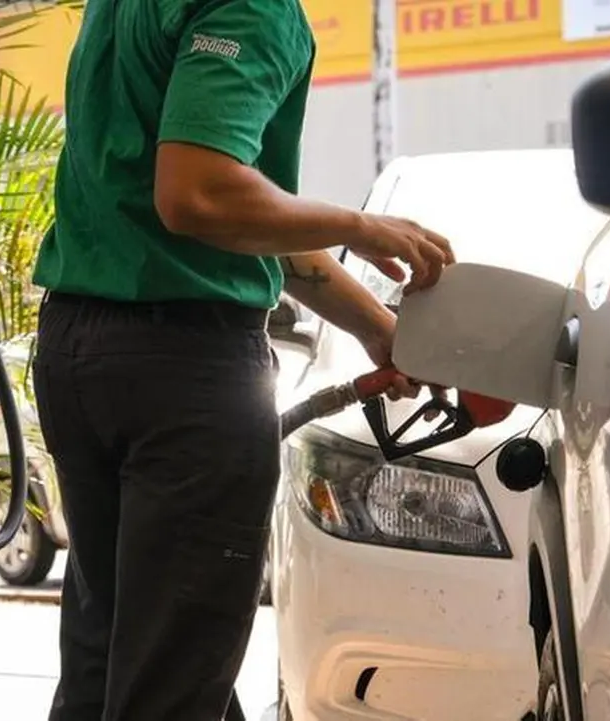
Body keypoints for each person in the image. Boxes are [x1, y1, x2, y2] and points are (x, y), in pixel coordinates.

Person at [29, 1, 455, 720]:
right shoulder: (252, 6)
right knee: (168, 685)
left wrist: (376, 326)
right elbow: (198, 194)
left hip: (82, 350)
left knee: (111, 665)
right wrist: (358, 223)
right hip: (180, 370)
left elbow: (231, 213)